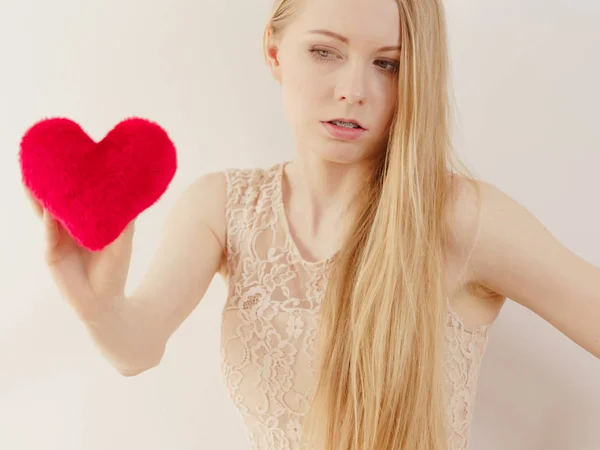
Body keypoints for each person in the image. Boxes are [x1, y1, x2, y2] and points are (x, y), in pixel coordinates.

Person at [25, 0, 600, 449]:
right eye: (326, 52)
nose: (353, 89)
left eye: (388, 64)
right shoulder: (223, 208)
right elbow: (136, 348)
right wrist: (95, 303)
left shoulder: (457, 216)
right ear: (274, 52)